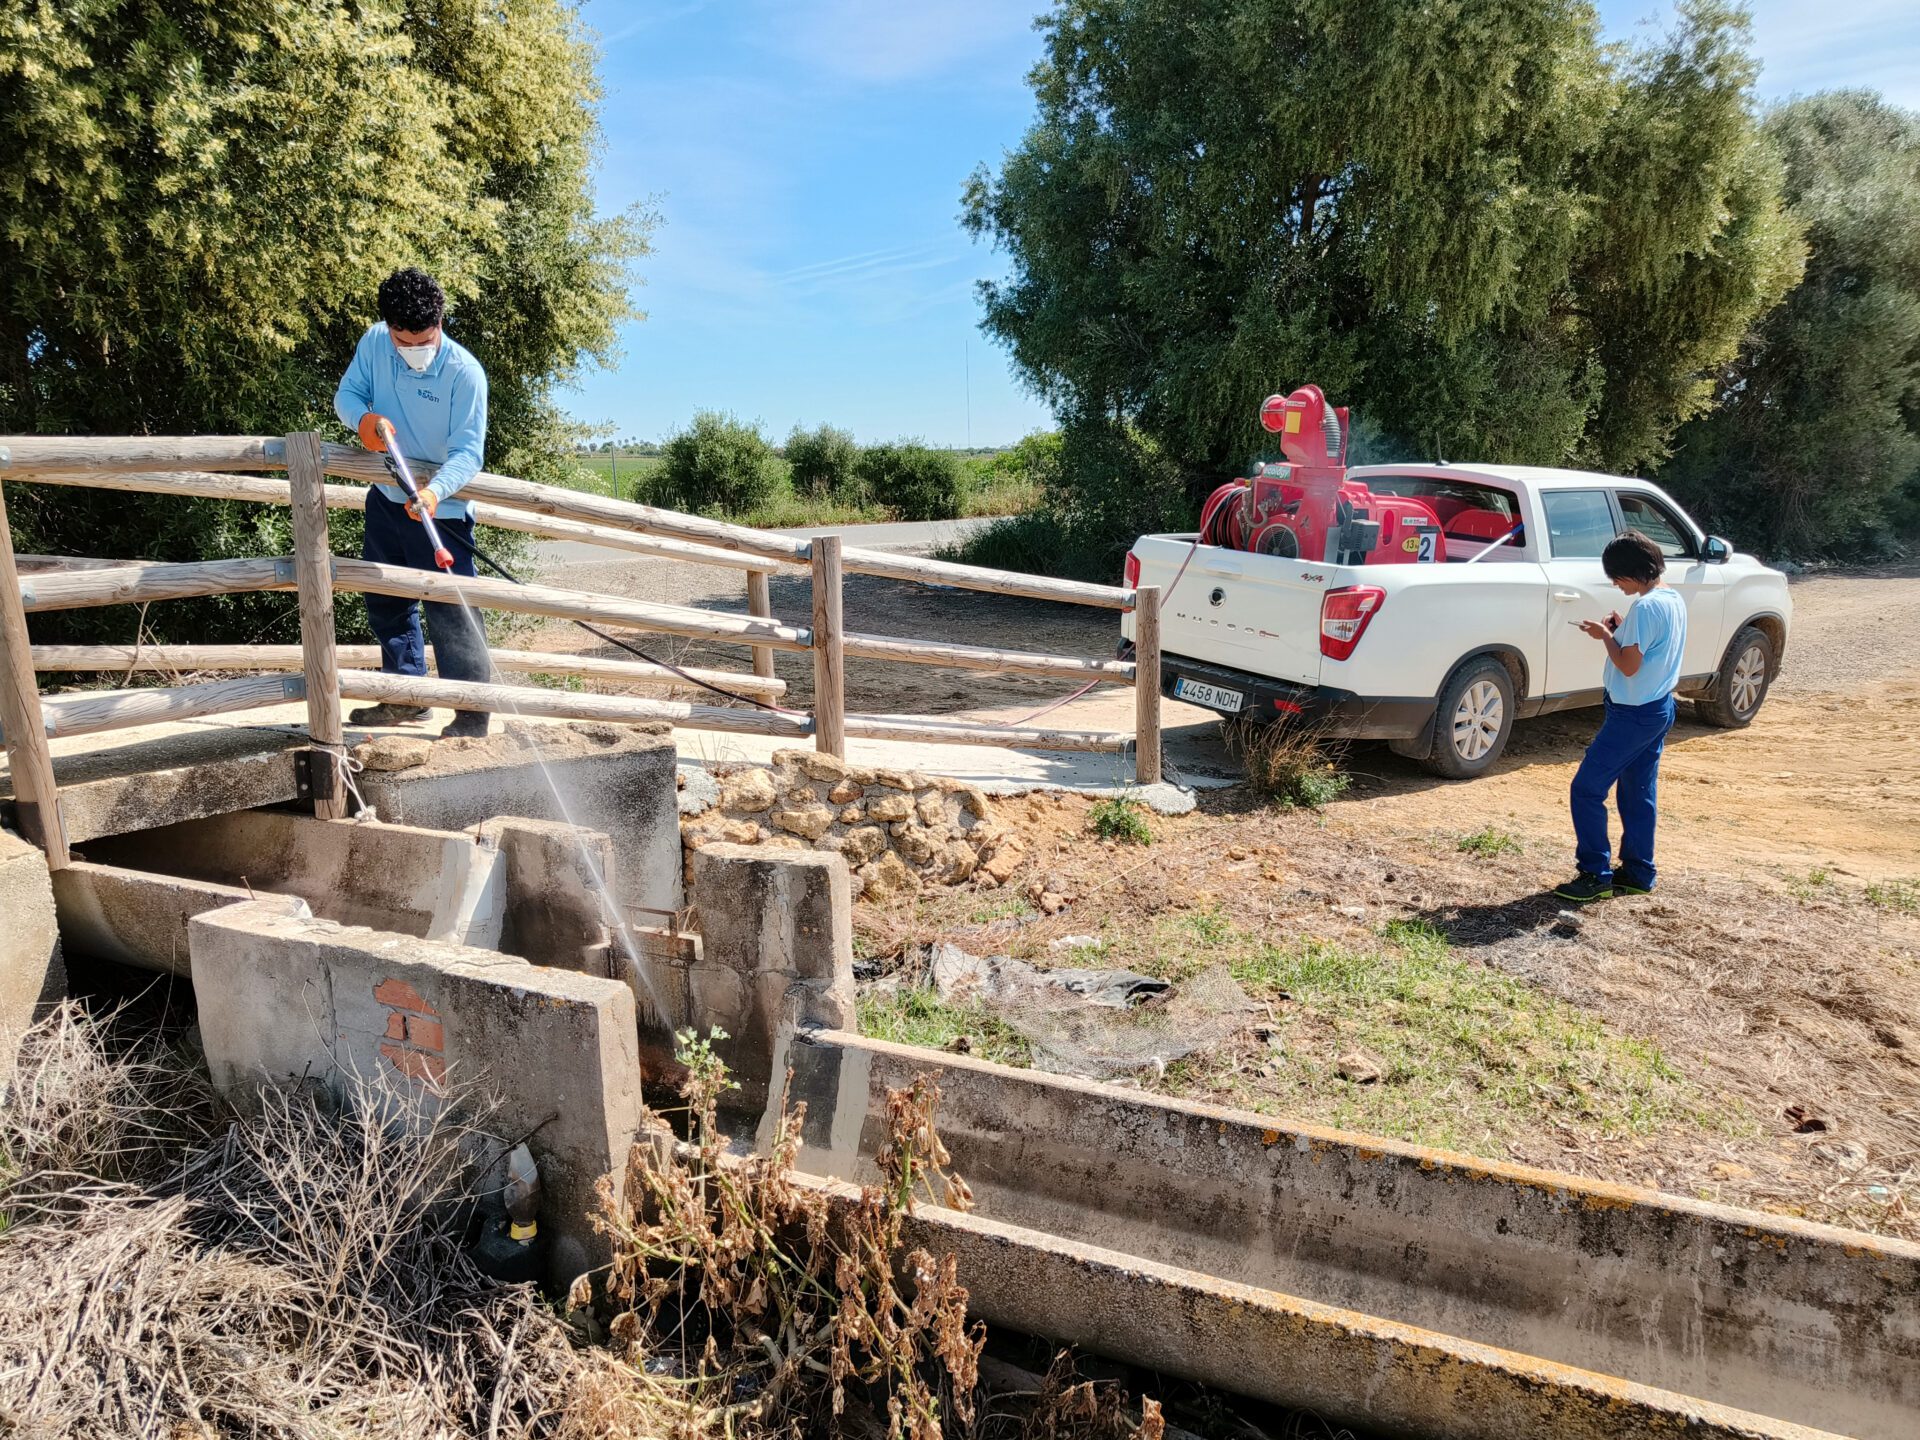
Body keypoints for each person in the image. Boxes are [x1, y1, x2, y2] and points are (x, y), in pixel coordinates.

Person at [333, 267, 493, 738]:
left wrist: (435, 491)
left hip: (441, 512)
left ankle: (470, 713)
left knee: (452, 610)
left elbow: (469, 452)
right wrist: (364, 421)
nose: (415, 349)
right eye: (405, 340)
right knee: (386, 598)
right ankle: (406, 695)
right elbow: (348, 394)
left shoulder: (465, 374)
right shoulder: (374, 344)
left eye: (425, 339)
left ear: (439, 323)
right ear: (388, 329)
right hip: (385, 498)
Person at [1554, 530, 1688, 903]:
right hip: (1658, 706)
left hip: (1632, 713)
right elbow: (1647, 648)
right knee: (1638, 792)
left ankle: (1595, 873)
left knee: (1586, 789)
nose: (1614, 582)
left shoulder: (1645, 608)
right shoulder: (1672, 599)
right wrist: (1619, 629)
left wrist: (1604, 636)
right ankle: (1637, 871)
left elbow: (1629, 665)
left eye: (1616, 575)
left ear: (1634, 571)